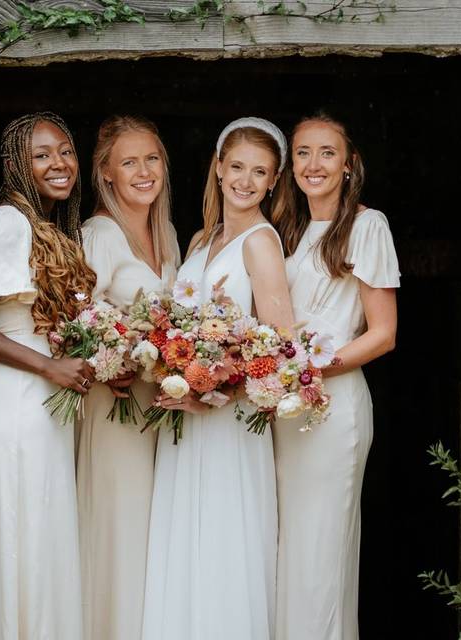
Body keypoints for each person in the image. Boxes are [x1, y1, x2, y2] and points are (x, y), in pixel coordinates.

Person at [0, 112, 96, 640]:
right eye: (42, 154)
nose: (59, 163)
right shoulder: (10, 220)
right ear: (17, 165)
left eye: (66, 150)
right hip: (9, 409)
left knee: (34, 543)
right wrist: (51, 365)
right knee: (11, 543)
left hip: (36, 408)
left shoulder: (46, 225)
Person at [142, 117, 295, 640]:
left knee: (225, 537)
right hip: (186, 415)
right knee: (188, 535)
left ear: (274, 181)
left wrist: (216, 393)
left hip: (228, 420)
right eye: (237, 167)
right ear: (218, 167)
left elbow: (278, 347)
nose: (245, 181)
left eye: (260, 172)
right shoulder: (201, 239)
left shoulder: (260, 242)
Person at [272, 113, 399, 640]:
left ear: (349, 165)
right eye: (303, 153)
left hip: (332, 405)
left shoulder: (368, 226)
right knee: (289, 545)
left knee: (322, 549)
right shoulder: (290, 232)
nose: (314, 164)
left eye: (327, 153)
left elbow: (384, 333)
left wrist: (313, 369)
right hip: (284, 408)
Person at [77, 115, 180, 640]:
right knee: (121, 523)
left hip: (160, 407)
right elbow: (76, 318)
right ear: (107, 174)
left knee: (152, 529)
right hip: (116, 405)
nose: (144, 172)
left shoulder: (166, 234)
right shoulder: (99, 233)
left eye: (152, 159)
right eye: (129, 162)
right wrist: (112, 360)